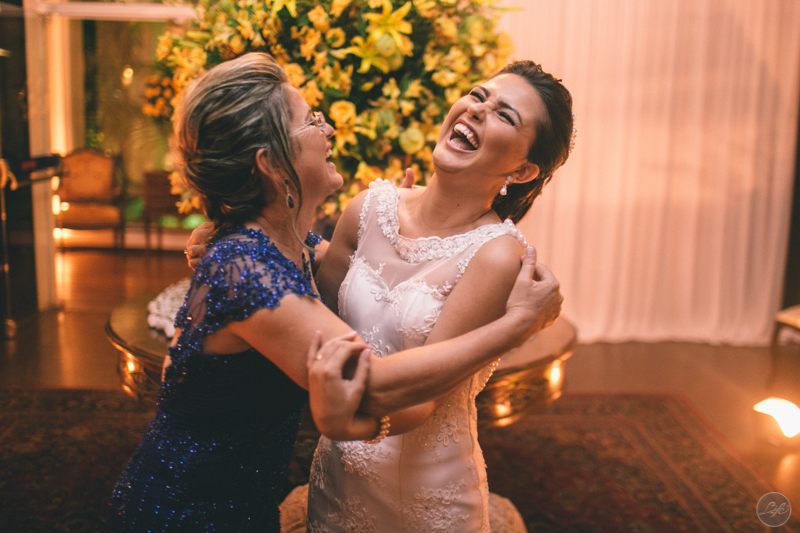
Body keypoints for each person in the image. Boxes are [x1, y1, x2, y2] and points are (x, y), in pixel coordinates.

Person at [110, 52, 562, 532]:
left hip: (418, 491)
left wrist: (253, 231)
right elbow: (366, 373)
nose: (328, 131)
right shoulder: (257, 265)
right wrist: (516, 327)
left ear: (523, 170)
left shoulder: (481, 249)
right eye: (311, 121)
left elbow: (318, 286)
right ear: (270, 164)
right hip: (196, 512)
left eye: (504, 113)